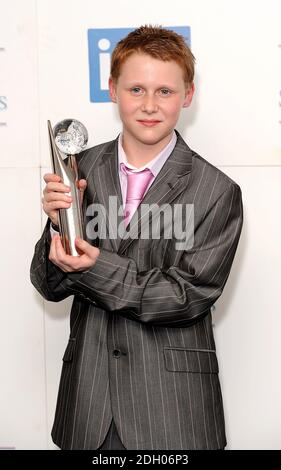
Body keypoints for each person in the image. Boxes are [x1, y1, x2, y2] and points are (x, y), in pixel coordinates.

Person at [30, 25, 243, 450]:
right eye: (136, 89)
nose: (149, 105)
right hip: (87, 408)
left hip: (172, 411)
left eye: (165, 91)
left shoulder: (216, 190)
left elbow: (188, 296)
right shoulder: (79, 169)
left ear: (188, 94)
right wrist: (59, 227)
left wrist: (96, 266)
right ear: (112, 90)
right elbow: (48, 286)